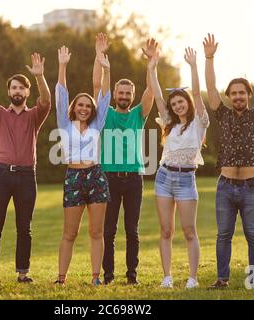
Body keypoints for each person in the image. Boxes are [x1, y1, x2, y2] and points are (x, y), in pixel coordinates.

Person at [203, 33, 254, 289]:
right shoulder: (222, 115)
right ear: (229, 96)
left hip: (250, 186)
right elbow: (211, 89)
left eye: (241, 93)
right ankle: (222, 279)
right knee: (223, 235)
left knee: (253, 236)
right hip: (225, 186)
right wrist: (209, 58)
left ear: (248, 94)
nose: (237, 96)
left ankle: (252, 281)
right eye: (233, 93)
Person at [0, 52, 51, 284]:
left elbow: (47, 101)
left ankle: (23, 273)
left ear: (27, 92)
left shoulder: (34, 116)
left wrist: (39, 77)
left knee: (24, 228)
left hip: (26, 177)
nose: (18, 91)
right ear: (9, 92)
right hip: (1, 175)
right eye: (14, 88)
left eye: (22, 88)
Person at [95, 36, 156, 285]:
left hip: (133, 178)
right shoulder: (106, 114)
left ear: (132, 95)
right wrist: (104, 65)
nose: (123, 95)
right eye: (120, 92)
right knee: (108, 232)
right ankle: (108, 276)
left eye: (127, 93)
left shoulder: (138, 115)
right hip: (108, 177)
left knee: (132, 230)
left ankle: (132, 276)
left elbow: (151, 91)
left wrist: (151, 64)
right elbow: (101, 90)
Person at [149, 47, 209, 289]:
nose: (177, 105)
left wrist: (194, 66)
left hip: (186, 180)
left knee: (189, 231)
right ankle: (167, 277)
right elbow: (155, 94)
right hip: (164, 177)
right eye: (173, 103)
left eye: (180, 101)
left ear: (188, 102)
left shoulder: (199, 123)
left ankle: (192, 279)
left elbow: (196, 91)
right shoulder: (169, 123)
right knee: (166, 230)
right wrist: (152, 67)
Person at [54, 42, 111, 286]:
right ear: (74, 108)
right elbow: (61, 92)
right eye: (81, 105)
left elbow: (105, 95)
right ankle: (61, 278)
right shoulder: (64, 124)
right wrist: (62, 66)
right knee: (70, 233)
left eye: (88, 106)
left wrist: (105, 68)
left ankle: (96, 278)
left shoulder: (97, 125)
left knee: (96, 232)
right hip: (74, 178)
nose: (85, 108)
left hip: (95, 177)